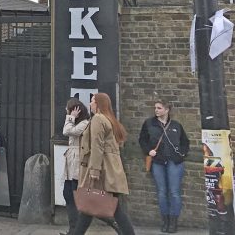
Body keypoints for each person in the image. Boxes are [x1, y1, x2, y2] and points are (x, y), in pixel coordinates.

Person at [73, 92, 135, 235]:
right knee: (88, 208)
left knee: (112, 209)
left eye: (92, 101)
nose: (90, 104)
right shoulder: (110, 119)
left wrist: (94, 170)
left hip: (102, 171)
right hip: (111, 169)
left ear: (99, 104)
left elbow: (97, 146)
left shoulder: (98, 119)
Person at [139, 99, 190, 233]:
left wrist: (182, 154)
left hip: (174, 162)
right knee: (161, 192)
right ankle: (165, 220)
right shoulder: (149, 123)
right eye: (155, 108)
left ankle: (173, 221)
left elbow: (185, 142)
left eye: (159, 108)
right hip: (158, 162)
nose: (156, 110)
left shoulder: (176, 125)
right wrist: (148, 150)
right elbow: (142, 140)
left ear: (167, 110)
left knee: (174, 192)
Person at [61, 98, 90, 235]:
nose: (66, 111)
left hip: (78, 163)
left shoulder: (84, 123)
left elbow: (66, 131)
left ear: (75, 110)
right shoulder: (76, 123)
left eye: (68, 109)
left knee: (75, 196)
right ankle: (73, 229)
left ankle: (76, 231)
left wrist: (70, 117)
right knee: (68, 194)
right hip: (71, 162)